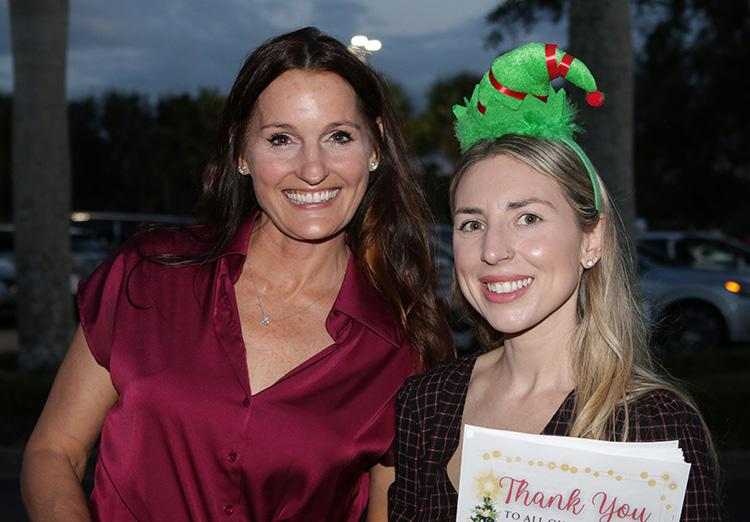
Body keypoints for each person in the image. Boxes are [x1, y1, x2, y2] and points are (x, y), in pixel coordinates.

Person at [21, 27, 452, 522]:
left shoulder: (405, 345)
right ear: (242, 152)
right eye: (281, 139)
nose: (313, 169)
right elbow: (54, 452)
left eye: (338, 137)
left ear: (374, 146)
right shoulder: (148, 275)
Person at [388, 43, 720, 521]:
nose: (493, 250)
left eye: (527, 218)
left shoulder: (654, 426)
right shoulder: (425, 404)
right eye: (472, 223)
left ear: (591, 238)